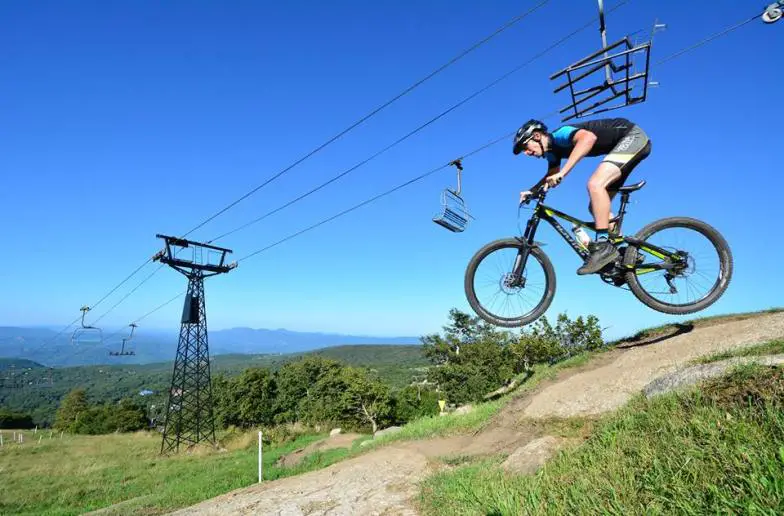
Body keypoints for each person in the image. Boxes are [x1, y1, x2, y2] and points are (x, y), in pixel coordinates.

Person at [513, 117, 651, 275]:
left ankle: (603, 246)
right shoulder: (552, 153)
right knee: (596, 208)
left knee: (595, 184)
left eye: (525, 146)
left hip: (633, 137)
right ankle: (623, 253)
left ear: (537, 136)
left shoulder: (560, 134)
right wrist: (532, 191)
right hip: (624, 146)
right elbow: (552, 174)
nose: (527, 153)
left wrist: (563, 173)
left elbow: (588, 138)